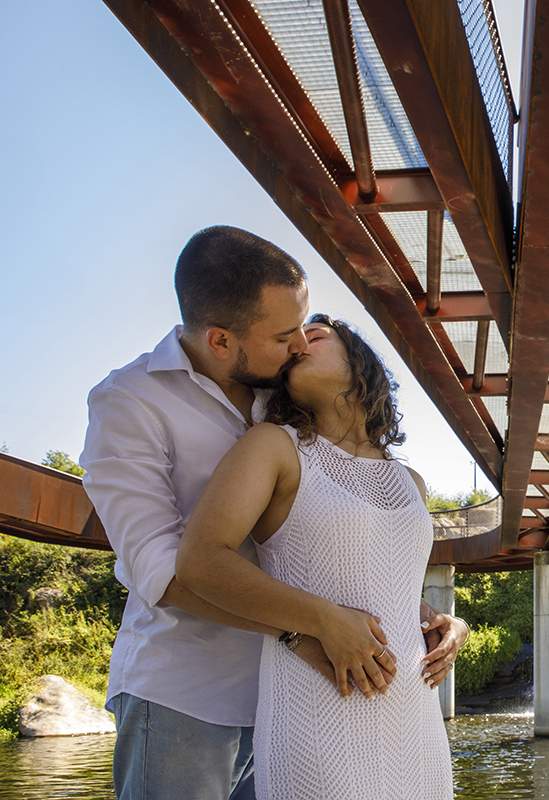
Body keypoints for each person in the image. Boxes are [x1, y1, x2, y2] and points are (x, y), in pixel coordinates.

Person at [80, 226, 465, 800]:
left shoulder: (281, 401)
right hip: (188, 692)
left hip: (302, 691)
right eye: (286, 335)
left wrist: (421, 618)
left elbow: (330, 549)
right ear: (220, 340)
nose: (297, 348)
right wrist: (310, 629)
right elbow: (160, 567)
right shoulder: (129, 402)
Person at [176, 315, 455, 800]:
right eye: (289, 343)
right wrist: (323, 621)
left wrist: (446, 624)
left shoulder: (411, 483)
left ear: (359, 360)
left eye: (317, 335)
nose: (298, 344)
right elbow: (200, 561)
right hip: (318, 712)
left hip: (418, 724)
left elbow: (385, 583)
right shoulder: (274, 446)